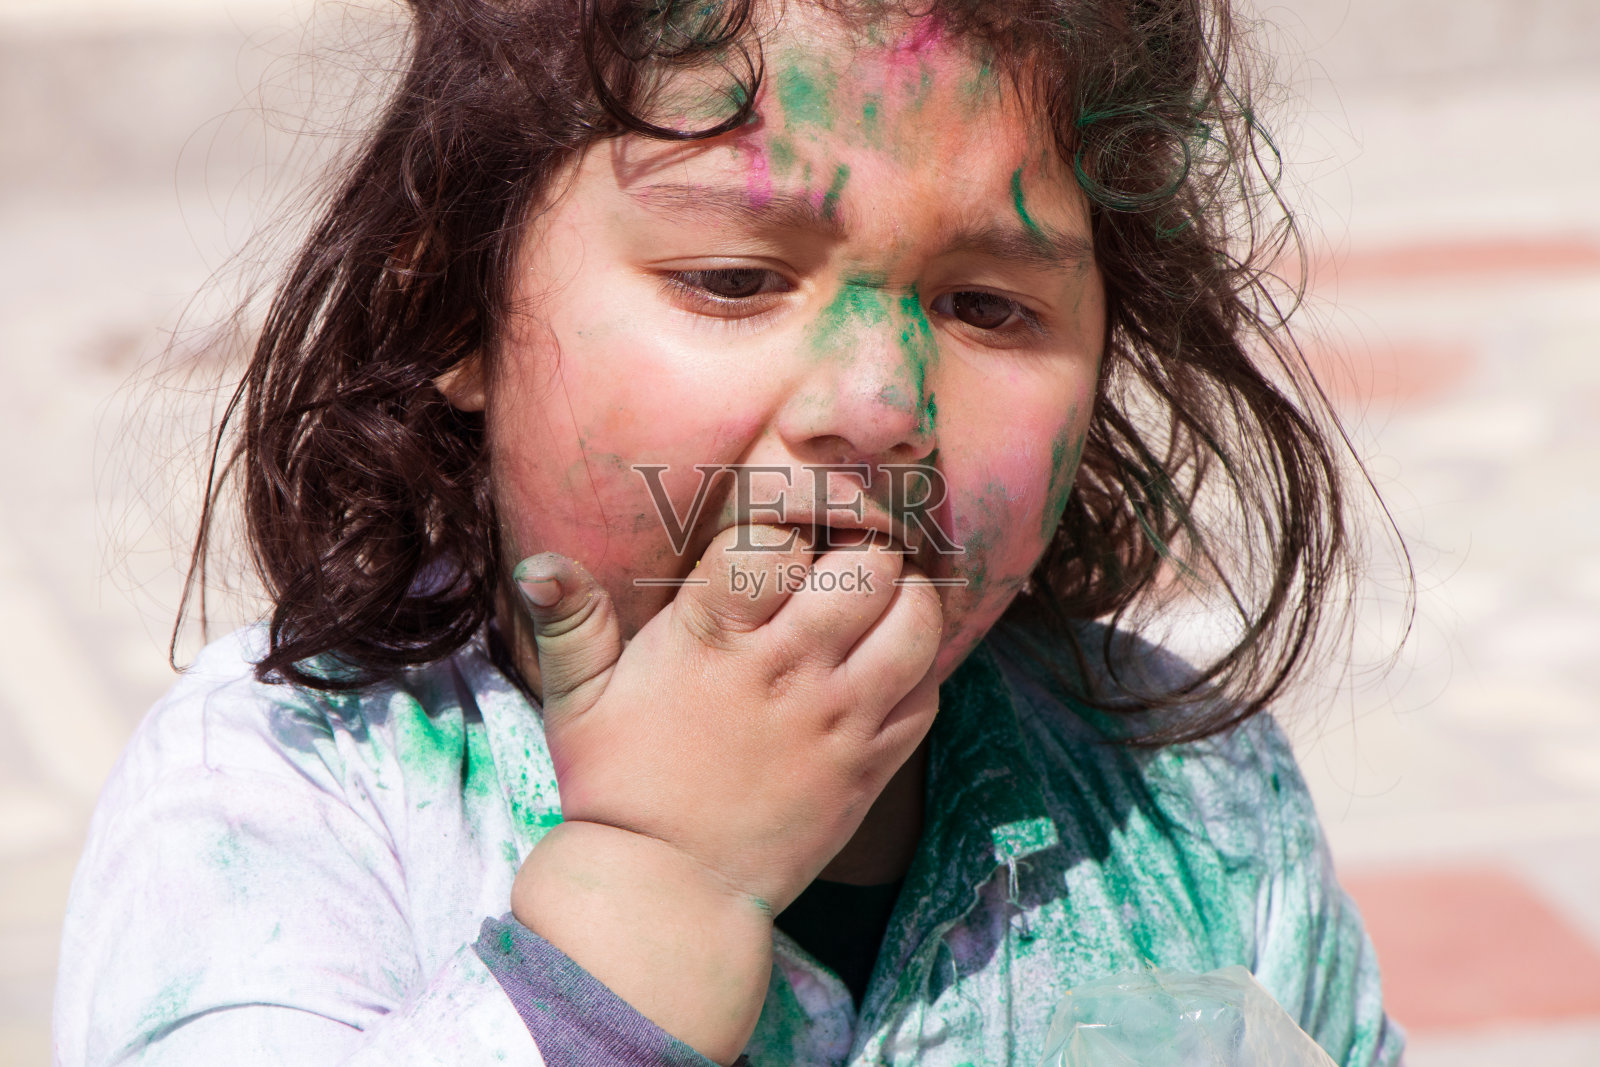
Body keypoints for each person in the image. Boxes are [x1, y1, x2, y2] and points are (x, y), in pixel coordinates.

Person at [54, 0, 1407, 1064]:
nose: (877, 406)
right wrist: (649, 907)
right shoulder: (288, 790)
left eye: (989, 307)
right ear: (456, 304)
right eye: (734, 279)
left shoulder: (1188, 808)